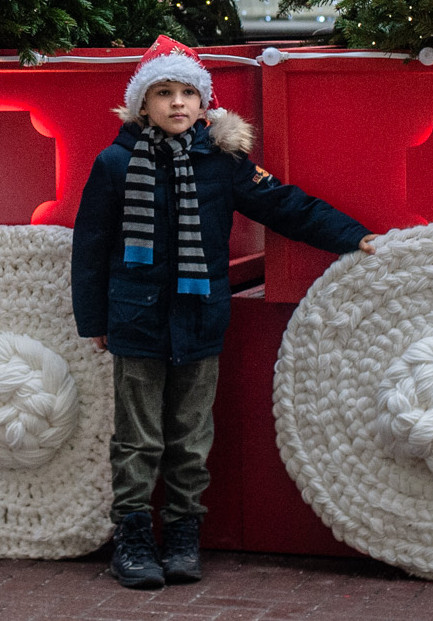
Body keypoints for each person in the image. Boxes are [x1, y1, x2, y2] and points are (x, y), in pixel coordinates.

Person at [72, 35, 378, 589]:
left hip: (199, 316)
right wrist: (92, 321)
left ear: (205, 103)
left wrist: (352, 236)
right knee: (137, 437)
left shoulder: (221, 163)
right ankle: (133, 537)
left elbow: (284, 203)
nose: (177, 104)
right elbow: (90, 246)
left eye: (187, 92)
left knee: (190, 435)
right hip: (135, 319)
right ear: (142, 103)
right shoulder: (115, 163)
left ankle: (184, 532)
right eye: (163, 92)